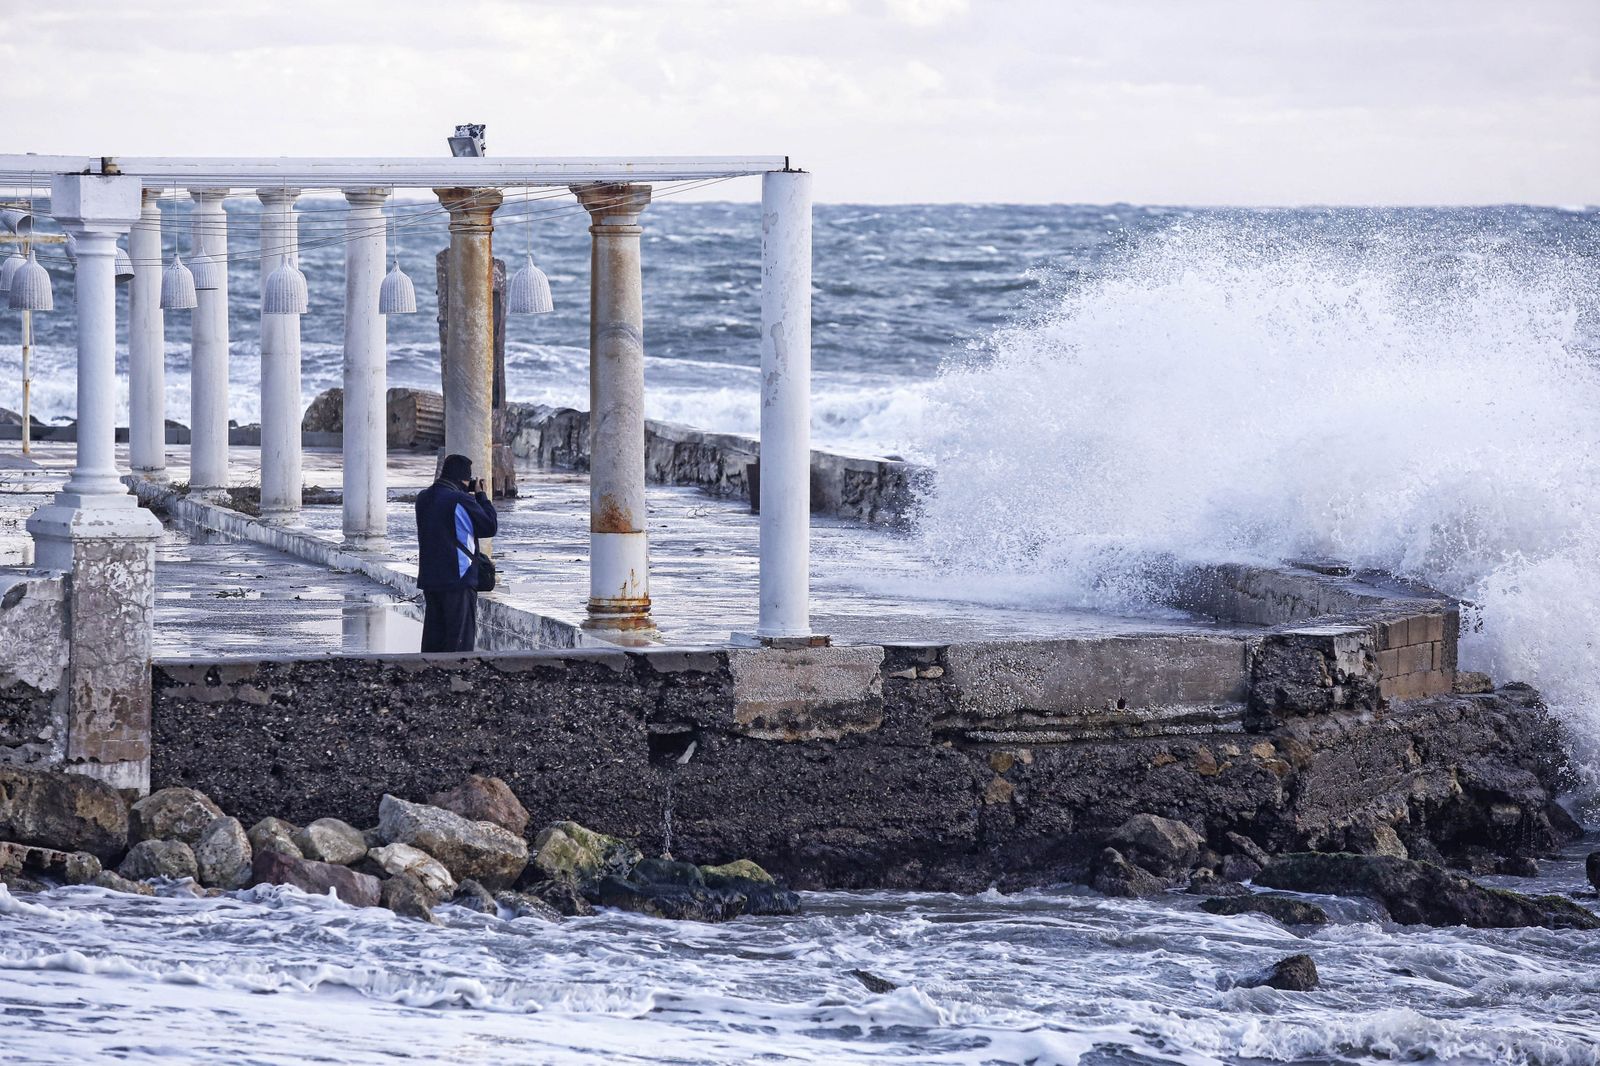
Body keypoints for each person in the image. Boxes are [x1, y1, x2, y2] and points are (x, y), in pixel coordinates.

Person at [415, 453, 498, 652]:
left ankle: (431, 677)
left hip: (431, 579)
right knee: (459, 642)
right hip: (458, 579)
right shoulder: (460, 500)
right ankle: (456, 678)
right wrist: (481, 496)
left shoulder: (423, 498)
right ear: (464, 479)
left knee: (434, 640)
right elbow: (489, 526)